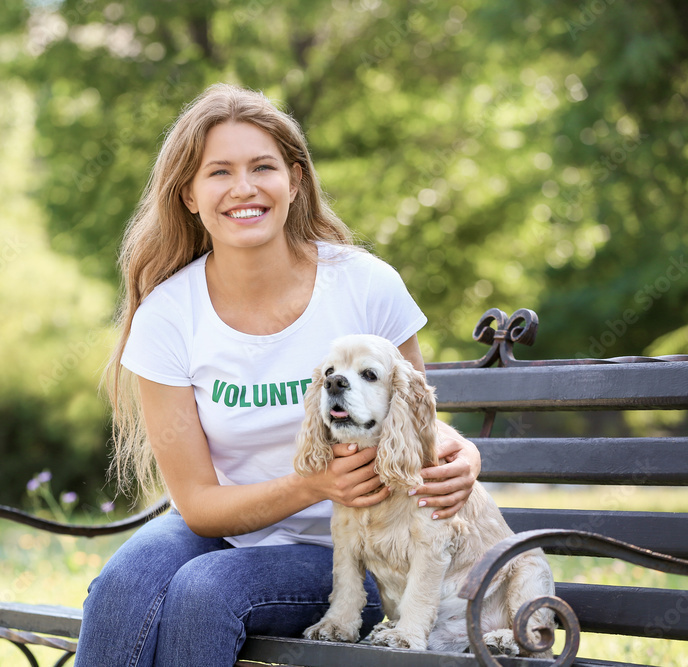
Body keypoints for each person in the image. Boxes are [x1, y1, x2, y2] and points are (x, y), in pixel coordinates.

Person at [73, 83, 481, 667]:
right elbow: (199, 506)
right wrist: (313, 484)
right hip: (226, 531)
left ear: (294, 181)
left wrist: (462, 453)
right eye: (219, 173)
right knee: (120, 588)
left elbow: (420, 418)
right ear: (189, 194)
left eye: (262, 167)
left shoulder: (366, 286)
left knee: (206, 593)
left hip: (361, 549)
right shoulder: (167, 314)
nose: (244, 188)